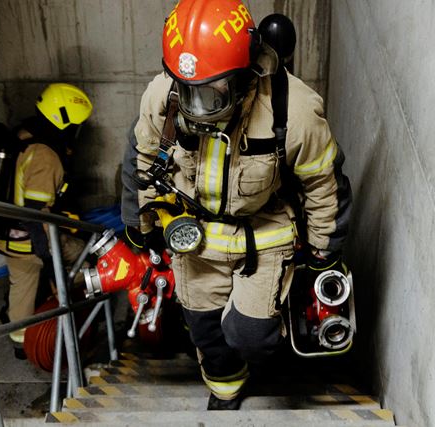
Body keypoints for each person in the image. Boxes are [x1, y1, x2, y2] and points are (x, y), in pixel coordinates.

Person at [121, 0, 351, 409]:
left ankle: (255, 344)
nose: (196, 106)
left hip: (261, 235)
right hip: (194, 238)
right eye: (187, 90)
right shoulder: (162, 95)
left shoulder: (291, 108)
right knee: (206, 334)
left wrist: (323, 250)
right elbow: (140, 159)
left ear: (244, 74)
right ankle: (226, 391)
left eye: (211, 92)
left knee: (251, 336)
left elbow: (322, 181)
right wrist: (141, 227)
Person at [0, 83, 93, 351]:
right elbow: (36, 213)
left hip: (7, 235)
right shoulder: (46, 155)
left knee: (23, 284)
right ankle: (34, 340)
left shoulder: (23, 135)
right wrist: (48, 257)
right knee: (83, 255)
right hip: (29, 241)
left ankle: (21, 334)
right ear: (64, 119)